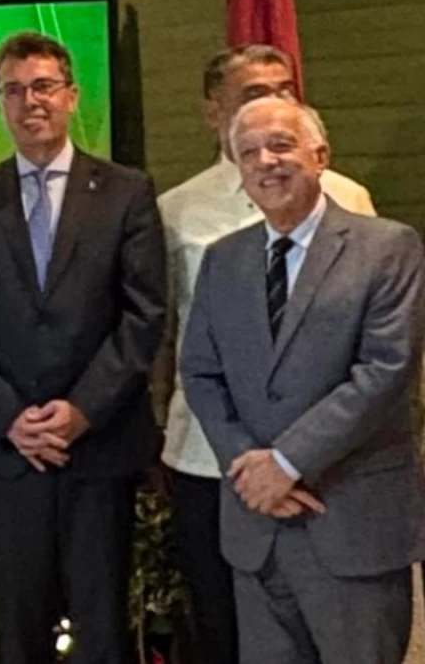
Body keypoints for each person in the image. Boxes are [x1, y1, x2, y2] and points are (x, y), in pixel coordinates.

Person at [0, 32, 167, 664]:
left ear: (71, 95)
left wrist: (81, 410)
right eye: (14, 90)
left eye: (42, 86)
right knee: (18, 628)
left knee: (101, 630)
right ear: (1, 104)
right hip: (13, 454)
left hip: (99, 445)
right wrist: (13, 418)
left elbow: (144, 314)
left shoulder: (126, 191)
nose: (29, 102)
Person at [181, 97, 425, 664]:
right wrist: (249, 469)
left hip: (351, 525)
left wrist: (286, 463)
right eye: (248, 153)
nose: (266, 161)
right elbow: (199, 371)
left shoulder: (388, 248)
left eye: (281, 145)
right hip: (256, 532)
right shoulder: (223, 259)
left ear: (321, 156)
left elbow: (384, 371)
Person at [157, 44, 377, 664]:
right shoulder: (175, 210)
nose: (276, 104)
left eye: (285, 89)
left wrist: (292, 457)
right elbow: (171, 339)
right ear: (213, 112)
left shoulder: (349, 198)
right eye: (256, 94)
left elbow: (371, 350)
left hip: (323, 461)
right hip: (211, 458)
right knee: (228, 632)